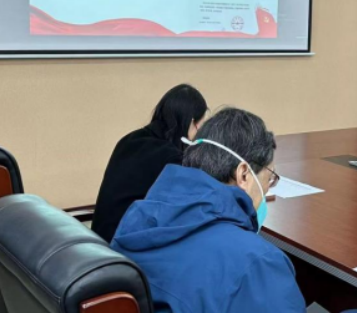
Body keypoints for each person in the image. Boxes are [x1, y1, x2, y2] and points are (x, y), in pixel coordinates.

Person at [111, 108, 306, 314]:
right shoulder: (259, 261)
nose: (267, 189)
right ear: (244, 174)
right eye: (270, 179)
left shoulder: (136, 217)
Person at [92, 84, 208, 243]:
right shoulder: (172, 159)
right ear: (192, 122)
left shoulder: (128, 140)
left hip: (98, 240)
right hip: (124, 245)